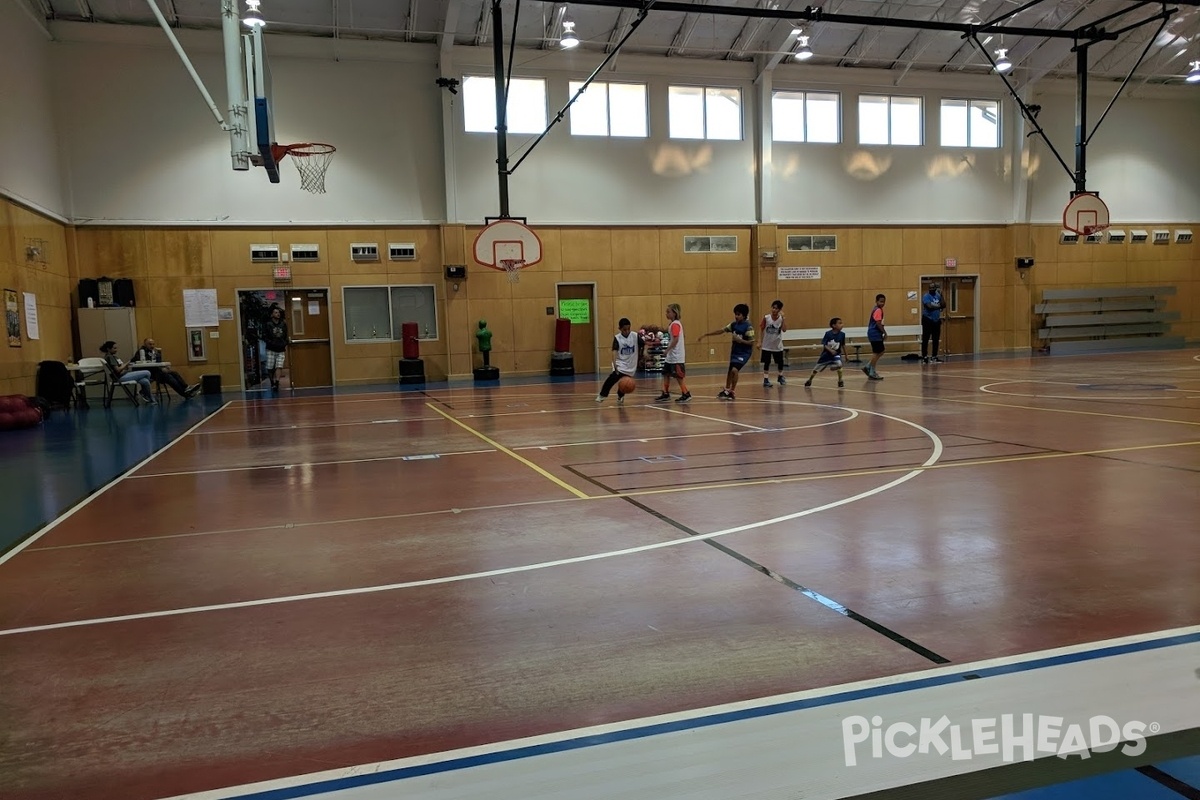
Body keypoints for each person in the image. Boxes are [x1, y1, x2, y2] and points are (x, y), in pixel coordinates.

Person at [702, 303, 755, 400]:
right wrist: (707, 334)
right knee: (730, 371)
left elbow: (751, 343)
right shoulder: (733, 325)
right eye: (735, 314)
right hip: (735, 351)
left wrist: (741, 341)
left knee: (735, 370)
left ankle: (732, 391)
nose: (736, 316)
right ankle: (726, 390)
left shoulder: (748, 327)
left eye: (738, 314)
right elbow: (721, 331)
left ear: (744, 315)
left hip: (744, 353)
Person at [596, 318, 644, 404]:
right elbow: (614, 352)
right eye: (624, 329)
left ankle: (620, 396)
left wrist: (644, 353)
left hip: (631, 364)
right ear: (620, 329)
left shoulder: (635, 336)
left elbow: (643, 345)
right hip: (620, 363)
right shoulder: (617, 338)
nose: (627, 331)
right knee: (611, 379)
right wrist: (615, 365)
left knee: (625, 384)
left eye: (628, 329)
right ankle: (602, 395)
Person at [132, 338, 200, 398]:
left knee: (174, 373)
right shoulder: (141, 352)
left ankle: (186, 388)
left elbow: (158, 362)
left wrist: (163, 365)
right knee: (168, 377)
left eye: (153, 344)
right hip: (147, 372)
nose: (152, 346)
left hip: (156, 372)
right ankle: (185, 394)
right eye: (150, 344)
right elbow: (141, 362)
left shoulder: (154, 352)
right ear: (145, 344)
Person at [654, 303, 691, 404]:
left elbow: (675, 339)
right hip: (671, 356)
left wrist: (667, 350)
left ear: (674, 313)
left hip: (676, 356)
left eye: (668, 312)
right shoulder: (673, 324)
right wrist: (659, 329)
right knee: (666, 373)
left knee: (678, 376)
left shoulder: (675, 324)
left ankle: (686, 393)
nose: (666, 313)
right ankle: (665, 393)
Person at [804, 318, 846, 388]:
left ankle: (840, 380)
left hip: (836, 354)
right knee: (816, 369)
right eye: (840, 323)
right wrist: (831, 350)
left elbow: (843, 345)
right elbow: (825, 344)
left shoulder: (842, 334)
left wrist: (846, 355)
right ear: (834, 325)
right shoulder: (828, 334)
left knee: (839, 364)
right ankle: (810, 380)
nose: (842, 325)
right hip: (826, 355)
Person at [759, 300, 787, 387]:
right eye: (773, 308)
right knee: (766, 362)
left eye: (776, 308)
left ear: (779, 310)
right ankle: (766, 379)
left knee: (780, 362)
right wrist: (759, 341)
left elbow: (784, 330)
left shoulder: (781, 319)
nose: (774, 310)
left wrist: (783, 319)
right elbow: (761, 329)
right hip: (767, 345)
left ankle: (780, 376)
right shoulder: (766, 318)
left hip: (777, 345)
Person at [263, 305, 289, 390]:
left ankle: (277, 382)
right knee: (270, 367)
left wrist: (284, 343)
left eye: (278, 312)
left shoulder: (283, 324)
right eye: (276, 312)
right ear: (272, 314)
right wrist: (270, 342)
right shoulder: (268, 324)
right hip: (270, 348)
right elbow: (265, 336)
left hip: (280, 348)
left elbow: (285, 335)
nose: (278, 314)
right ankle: (272, 382)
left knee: (279, 365)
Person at [921, 282, 947, 363]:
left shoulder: (937, 295)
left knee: (936, 339)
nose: (932, 291)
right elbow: (929, 306)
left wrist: (941, 295)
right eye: (930, 289)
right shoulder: (926, 296)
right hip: (927, 319)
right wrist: (939, 306)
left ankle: (934, 356)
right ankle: (924, 356)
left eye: (933, 289)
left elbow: (944, 305)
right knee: (926, 338)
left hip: (936, 319)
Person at [863, 294, 886, 381]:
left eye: (883, 301)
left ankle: (868, 367)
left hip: (875, 333)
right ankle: (871, 370)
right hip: (874, 333)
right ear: (876, 301)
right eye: (880, 301)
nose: (882, 303)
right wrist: (884, 332)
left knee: (880, 351)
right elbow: (878, 323)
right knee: (878, 352)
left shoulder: (878, 309)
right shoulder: (878, 310)